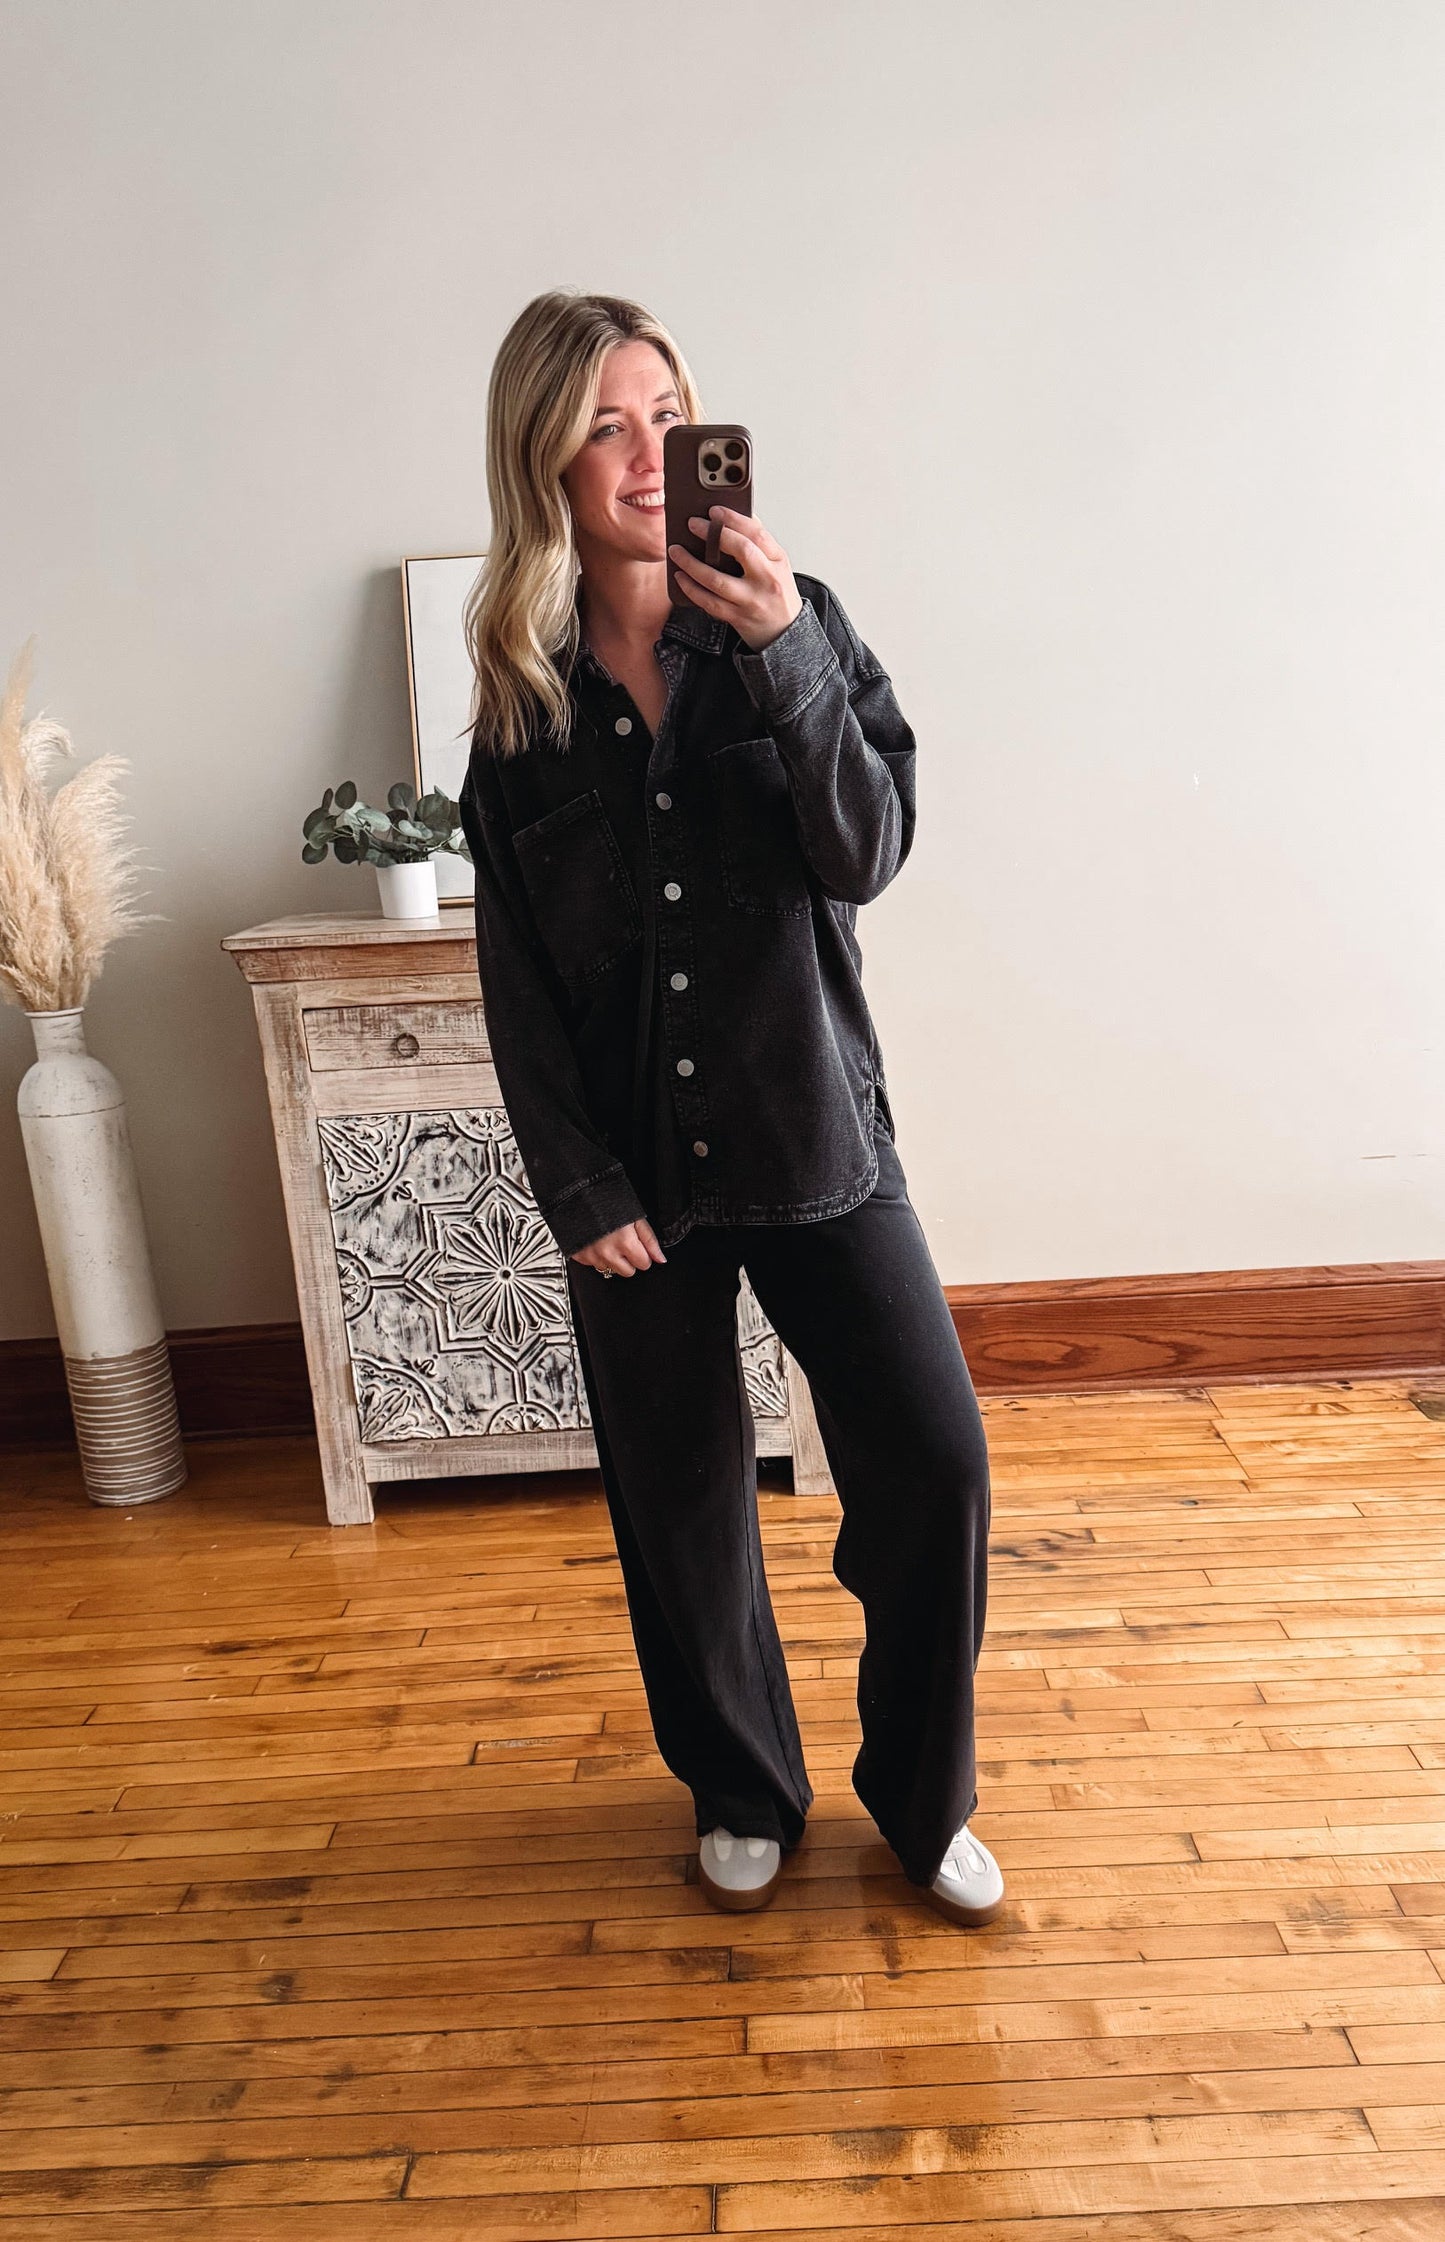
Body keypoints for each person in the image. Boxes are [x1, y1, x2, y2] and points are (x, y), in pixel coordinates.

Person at [457, 288, 1001, 1927]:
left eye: (667, 413)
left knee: (932, 1461)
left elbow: (868, 851)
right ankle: (741, 1786)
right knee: (682, 1504)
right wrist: (576, 1181)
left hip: (817, 1129)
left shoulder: (795, 616)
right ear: (543, 455)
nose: (644, 453)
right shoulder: (520, 703)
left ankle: (920, 1795)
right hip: (635, 1171)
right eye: (606, 424)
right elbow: (516, 978)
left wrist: (783, 661)